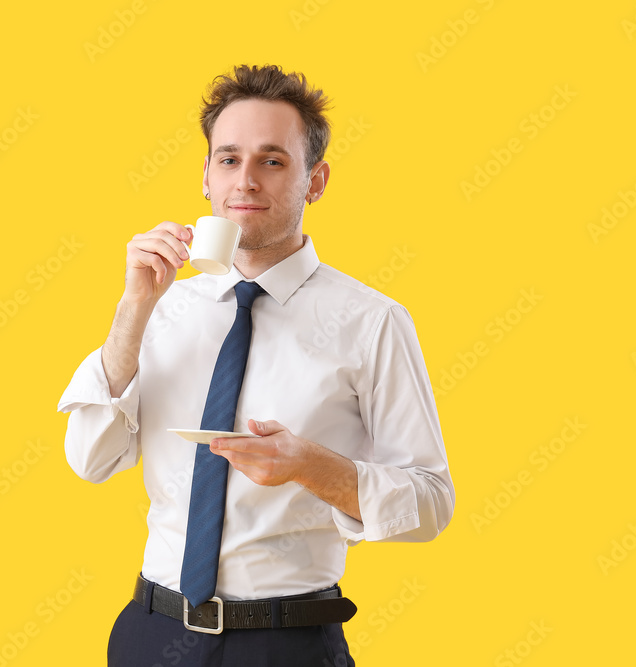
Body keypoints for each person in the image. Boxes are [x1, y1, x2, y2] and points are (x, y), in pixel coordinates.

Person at [57, 64, 455, 667]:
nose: (245, 181)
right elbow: (90, 459)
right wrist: (133, 308)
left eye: (272, 161)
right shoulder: (160, 308)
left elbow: (430, 503)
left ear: (314, 181)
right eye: (228, 158)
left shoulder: (372, 322)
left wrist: (311, 466)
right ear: (206, 178)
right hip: (150, 635)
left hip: (285, 643)